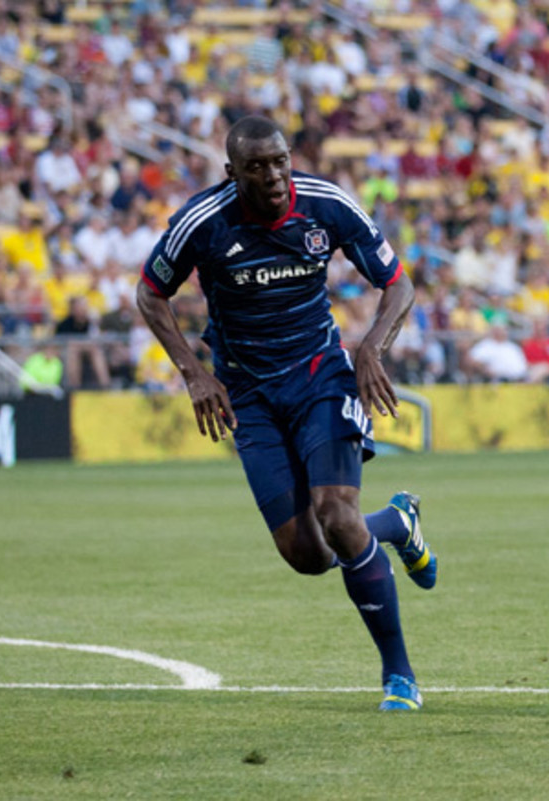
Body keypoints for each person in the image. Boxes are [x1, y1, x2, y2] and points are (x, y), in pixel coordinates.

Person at [136, 116, 437, 711]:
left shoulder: (327, 205)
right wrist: (194, 374)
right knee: (308, 554)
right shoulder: (202, 222)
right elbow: (150, 293)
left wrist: (371, 348)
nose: (273, 176)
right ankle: (397, 523)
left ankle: (399, 675)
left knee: (338, 515)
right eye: (257, 167)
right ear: (232, 173)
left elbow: (398, 285)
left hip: (320, 375)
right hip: (247, 394)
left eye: (280, 161)